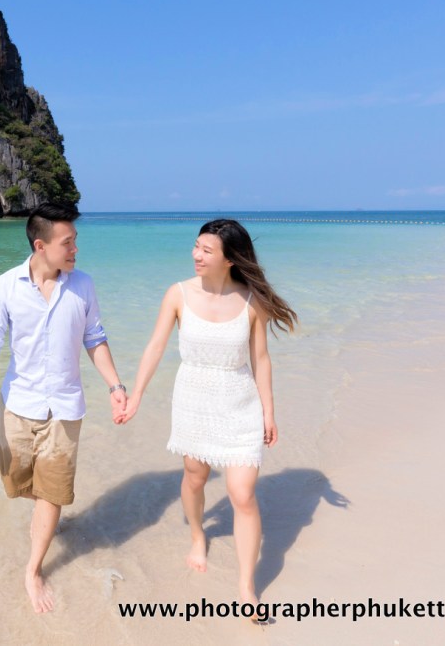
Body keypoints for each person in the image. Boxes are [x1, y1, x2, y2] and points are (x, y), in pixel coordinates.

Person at [117, 218, 297, 617]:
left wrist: (269, 411)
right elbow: (156, 346)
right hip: (193, 400)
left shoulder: (253, 301)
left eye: (206, 250)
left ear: (230, 259)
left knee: (243, 494)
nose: (196, 255)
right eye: (196, 246)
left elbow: (261, 360)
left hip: (239, 402)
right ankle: (198, 536)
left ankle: (246, 586)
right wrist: (137, 395)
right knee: (195, 477)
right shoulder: (178, 294)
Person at [0, 202, 128, 614]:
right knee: (16, 479)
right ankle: (44, 516)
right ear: (41, 245)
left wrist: (115, 385)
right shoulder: (5, 286)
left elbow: (95, 339)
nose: (75, 250)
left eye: (75, 241)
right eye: (67, 243)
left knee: (51, 491)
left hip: (66, 407)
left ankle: (33, 568)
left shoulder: (83, 285)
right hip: (18, 403)